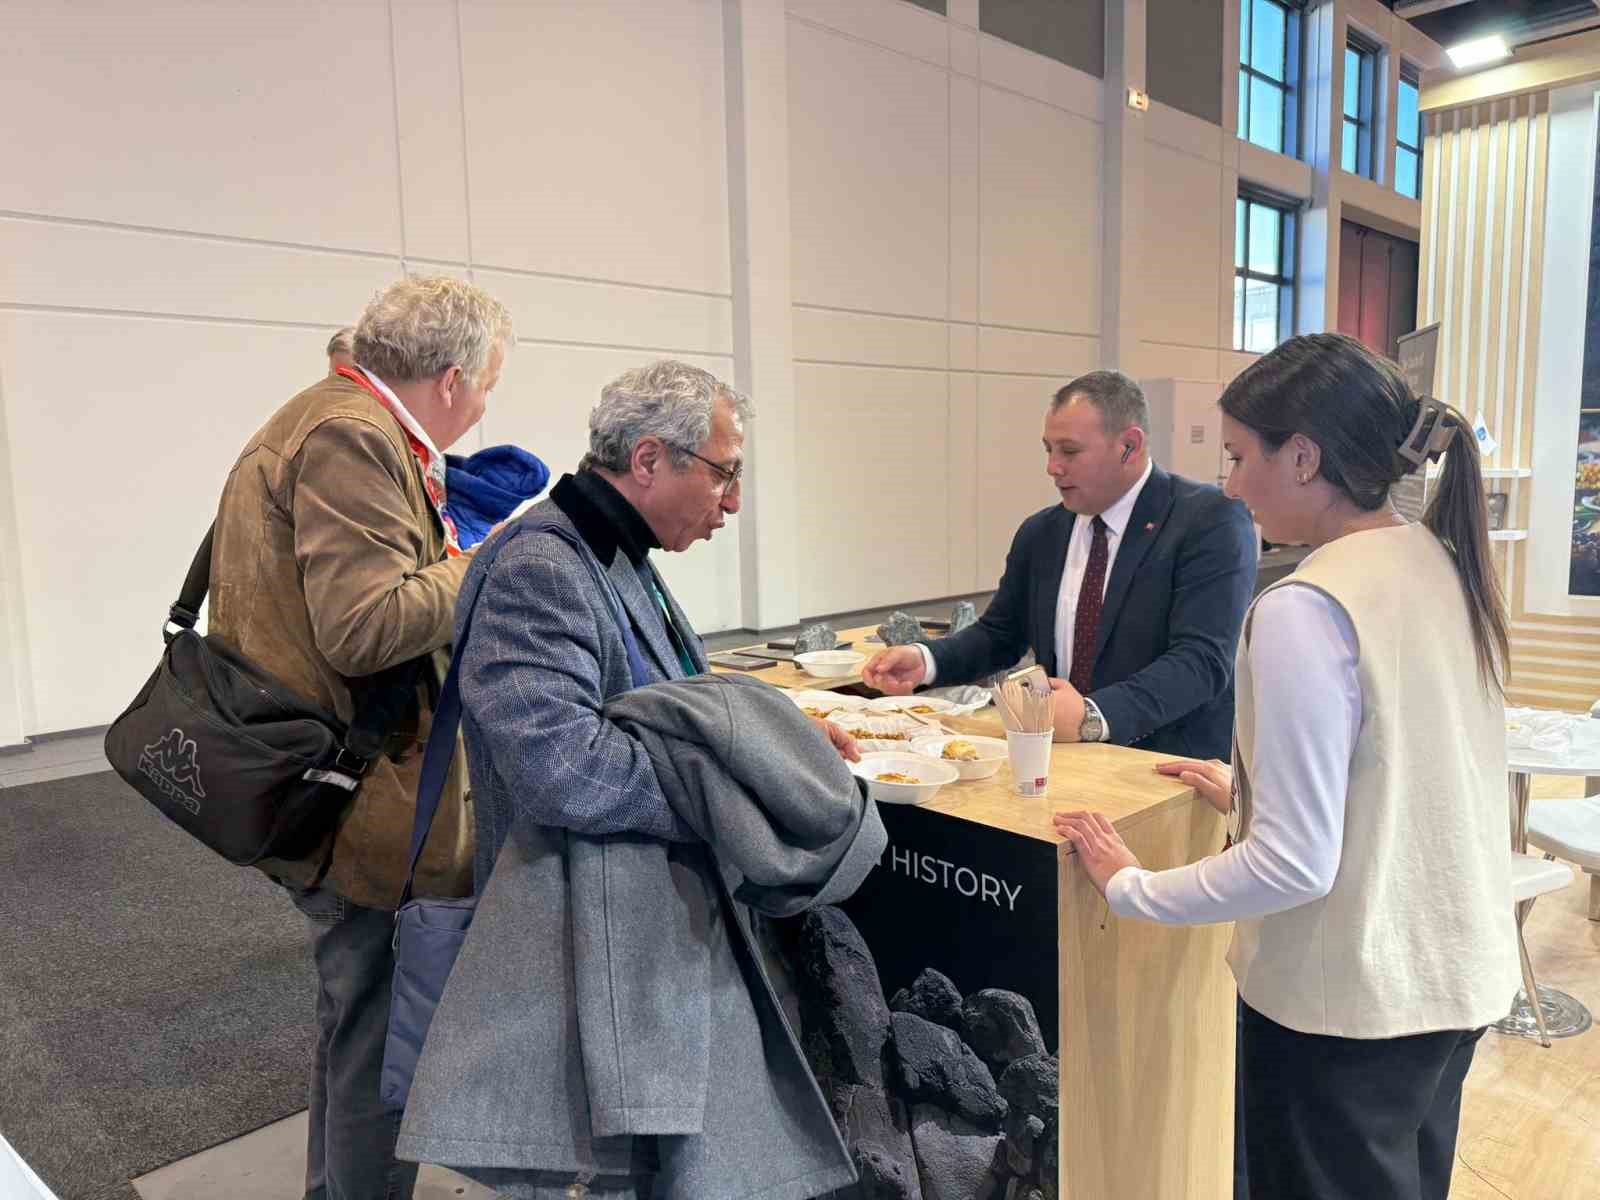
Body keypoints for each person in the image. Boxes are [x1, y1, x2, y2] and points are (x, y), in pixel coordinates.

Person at [1055, 333, 1521, 1200]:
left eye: (1238, 457)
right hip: (1452, 984)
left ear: (1302, 457)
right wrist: (1254, 791)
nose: (1228, 484)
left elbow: (1295, 864)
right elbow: (1418, 774)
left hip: (1347, 1008)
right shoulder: (1441, 564)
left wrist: (1133, 887)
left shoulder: (1307, 605)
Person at [395, 360, 872, 1198]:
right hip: (575, 949)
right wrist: (735, 792)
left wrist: (775, 739)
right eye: (724, 474)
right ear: (649, 460)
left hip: (625, 935)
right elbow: (565, 771)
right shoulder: (541, 567)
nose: (731, 502)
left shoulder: (612, 554)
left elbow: (673, 705)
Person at [208, 275, 513, 1200]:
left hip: (327, 771)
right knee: (385, 1036)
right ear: (454, 379)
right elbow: (367, 625)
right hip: (355, 789)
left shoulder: (333, 417)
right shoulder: (350, 434)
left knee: (358, 1018)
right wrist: (490, 556)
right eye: (491, 383)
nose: (489, 405)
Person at [862, 369, 1257, 759]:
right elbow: (1000, 634)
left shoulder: (1208, 520)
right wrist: (927, 660)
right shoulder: (1042, 532)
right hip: (1063, 761)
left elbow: (1201, 661)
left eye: (1069, 451)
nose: (1053, 466)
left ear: (1129, 447)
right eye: (1048, 449)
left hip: (1167, 769)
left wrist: (1094, 716)